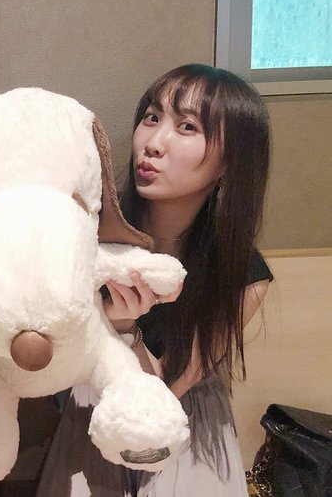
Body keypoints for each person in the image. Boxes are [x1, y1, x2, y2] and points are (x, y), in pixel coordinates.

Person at [37, 64, 273, 497]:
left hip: (185, 418)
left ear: (229, 162)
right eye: (152, 117)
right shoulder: (89, 234)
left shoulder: (241, 275)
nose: (153, 143)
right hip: (95, 405)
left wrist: (127, 328)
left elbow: (167, 392)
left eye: (187, 127)